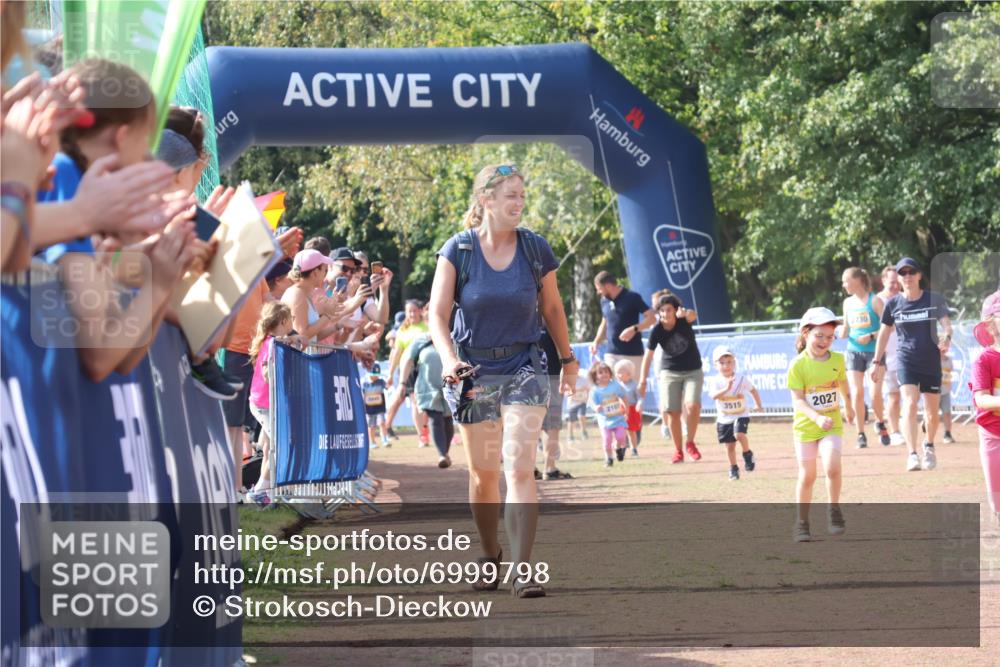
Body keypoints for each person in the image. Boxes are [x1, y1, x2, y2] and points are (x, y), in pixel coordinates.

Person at [428, 164, 577, 599]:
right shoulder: (458, 250)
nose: (519, 202)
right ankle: (490, 553)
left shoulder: (535, 249)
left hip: (525, 365)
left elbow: (552, 309)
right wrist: (448, 358)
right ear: (486, 200)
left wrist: (567, 359)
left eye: (522, 195)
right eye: (510, 195)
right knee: (484, 475)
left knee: (518, 468)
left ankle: (522, 569)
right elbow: (437, 315)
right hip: (471, 370)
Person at [870, 258, 953, 472]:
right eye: (902, 273)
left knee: (932, 413)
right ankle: (912, 454)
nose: (907, 276)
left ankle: (929, 445)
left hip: (931, 361)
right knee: (908, 403)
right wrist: (876, 361)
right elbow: (884, 333)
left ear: (918, 275)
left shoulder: (934, 299)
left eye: (911, 272)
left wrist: (947, 335)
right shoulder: (893, 304)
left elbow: (946, 324)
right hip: (906, 360)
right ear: (898, 278)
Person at [788, 307, 853, 542]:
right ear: (806, 333)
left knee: (832, 466)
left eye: (829, 336)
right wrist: (815, 417)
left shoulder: (838, 359)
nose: (824, 341)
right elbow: (797, 400)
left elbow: (843, 384)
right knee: (807, 476)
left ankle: (833, 509)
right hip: (806, 428)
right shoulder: (798, 365)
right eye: (819, 335)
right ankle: (801, 522)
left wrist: (848, 405)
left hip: (832, 424)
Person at [637, 293, 703, 464]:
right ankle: (678, 450)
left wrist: (686, 313)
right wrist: (643, 380)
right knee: (672, 412)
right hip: (669, 372)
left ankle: (690, 443)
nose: (666, 313)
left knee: (692, 405)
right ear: (659, 312)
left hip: (693, 369)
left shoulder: (684, 320)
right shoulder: (657, 330)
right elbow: (648, 357)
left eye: (669, 309)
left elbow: (692, 315)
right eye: (662, 310)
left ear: (675, 310)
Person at [246, 301, 295, 507]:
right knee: (280, 446)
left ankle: (267, 492)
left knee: (269, 447)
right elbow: (267, 370)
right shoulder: (272, 343)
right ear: (284, 321)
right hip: (265, 404)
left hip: (264, 403)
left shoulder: (272, 341)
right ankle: (259, 492)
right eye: (291, 319)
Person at [838, 267, 885, 449]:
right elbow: (845, 328)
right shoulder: (847, 303)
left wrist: (871, 336)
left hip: (875, 352)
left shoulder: (875, 301)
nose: (844, 285)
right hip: (853, 351)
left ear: (858, 281)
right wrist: (835, 332)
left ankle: (880, 423)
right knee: (856, 393)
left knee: (875, 394)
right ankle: (860, 434)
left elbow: (888, 327)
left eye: (846, 281)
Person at [399, 333, 454, 468]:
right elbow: (408, 360)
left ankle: (445, 452)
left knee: (448, 421)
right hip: (427, 387)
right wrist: (402, 383)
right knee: (435, 419)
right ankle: (442, 454)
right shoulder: (420, 340)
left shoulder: (454, 337)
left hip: (450, 385)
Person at [709, 346, 762, 480]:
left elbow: (753, 390)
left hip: (741, 414)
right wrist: (726, 388)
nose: (726, 366)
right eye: (722, 363)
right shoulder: (715, 381)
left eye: (729, 362)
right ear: (715, 365)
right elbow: (713, 396)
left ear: (735, 363)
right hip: (724, 418)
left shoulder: (741, 379)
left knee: (739, 434)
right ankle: (733, 468)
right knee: (730, 445)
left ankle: (747, 454)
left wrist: (758, 404)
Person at [971, 291, 1000, 525]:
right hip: (993, 435)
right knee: (998, 502)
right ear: (991, 324)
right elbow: (981, 399)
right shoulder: (984, 360)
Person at [385, 299, 431, 444]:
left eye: (414, 310)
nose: (412, 314)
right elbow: (397, 353)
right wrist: (391, 374)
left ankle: (424, 430)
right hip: (409, 370)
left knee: (426, 403)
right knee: (415, 401)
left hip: (427, 368)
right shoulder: (402, 330)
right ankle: (422, 436)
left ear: (420, 311)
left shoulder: (427, 326)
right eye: (409, 311)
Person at [589, 271, 655, 371]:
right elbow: (605, 322)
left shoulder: (632, 297)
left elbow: (652, 318)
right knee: (612, 385)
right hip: (611, 354)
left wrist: (634, 329)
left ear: (608, 286)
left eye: (599, 289)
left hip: (633, 354)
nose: (598, 292)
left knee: (634, 386)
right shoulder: (604, 300)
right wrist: (596, 341)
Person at [538, 329, 573, 480]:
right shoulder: (551, 326)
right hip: (551, 377)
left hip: (524, 379)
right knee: (552, 426)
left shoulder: (519, 323)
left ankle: (528, 468)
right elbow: (566, 353)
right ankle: (549, 467)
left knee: (529, 425)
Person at [877, 266, 905, 445]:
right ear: (884, 281)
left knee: (911, 396)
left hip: (908, 354)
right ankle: (894, 431)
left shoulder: (906, 298)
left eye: (897, 281)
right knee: (893, 396)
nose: (895, 285)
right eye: (891, 282)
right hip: (888, 356)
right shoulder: (878, 301)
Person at [589, 361, 629, 466]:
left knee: (621, 437)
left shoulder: (615, 385)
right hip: (604, 420)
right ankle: (609, 458)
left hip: (618, 418)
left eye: (606, 372)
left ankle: (617, 447)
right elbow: (592, 403)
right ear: (595, 376)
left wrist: (626, 407)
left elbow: (623, 395)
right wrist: (596, 407)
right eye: (601, 372)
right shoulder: (595, 390)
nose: (604, 374)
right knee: (607, 440)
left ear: (610, 373)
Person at [613, 359, 642, 456]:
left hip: (632, 410)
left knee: (631, 431)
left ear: (629, 374)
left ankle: (634, 449)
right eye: (616, 372)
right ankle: (620, 448)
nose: (617, 374)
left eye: (620, 372)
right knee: (620, 431)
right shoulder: (615, 385)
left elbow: (639, 397)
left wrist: (639, 403)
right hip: (620, 410)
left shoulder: (634, 385)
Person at [362, 364, 391, 449]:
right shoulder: (365, 383)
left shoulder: (381, 381)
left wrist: (388, 383)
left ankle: (385, 439)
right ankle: (372, 442)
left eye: (377, 375)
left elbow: (387, 387)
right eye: (374, 375)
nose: (376, 377)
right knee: (371, 426)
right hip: (369, 409)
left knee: (382, 422)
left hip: (380, 408)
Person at [565, 373, 591, 443]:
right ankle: (570, 436)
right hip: (572, 403)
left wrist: (586, 397)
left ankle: (584, 432)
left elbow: (588, 388)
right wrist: (577, 390)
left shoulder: (584, 378)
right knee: (571, 421)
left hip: (582, 401)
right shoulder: (568, 379)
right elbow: (567, 391)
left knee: (581, 416)